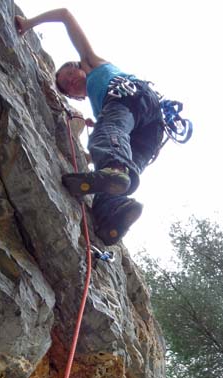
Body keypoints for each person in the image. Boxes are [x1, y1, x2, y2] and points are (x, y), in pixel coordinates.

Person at [15, 8, 165, 245]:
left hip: (130, 96)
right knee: (109, 185)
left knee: (104, 139)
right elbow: (114, 136)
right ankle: (114, 218)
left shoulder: (92, 63)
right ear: (76, 98)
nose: (70, 80)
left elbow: (65, 15)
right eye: (66, 85)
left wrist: (29, 23)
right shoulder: (101, 108)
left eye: (69, 73)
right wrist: (90, 156)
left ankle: (115, 169)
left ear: (80, 65)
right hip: (149, 130)